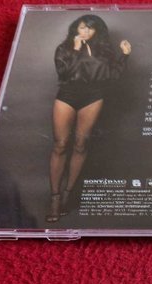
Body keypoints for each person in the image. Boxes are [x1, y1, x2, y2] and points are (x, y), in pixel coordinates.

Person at [48, 15, 131, 222]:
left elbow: (113, 76)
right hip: (67, 96)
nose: (85, 32)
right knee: (60, 144)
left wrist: (124, 56)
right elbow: (63, 73)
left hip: (93, 97)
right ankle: (55, 198)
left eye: (90, 29)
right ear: (75, 29)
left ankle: (67, 193)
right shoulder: (64, 48)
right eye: (82, 28)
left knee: (81, 144)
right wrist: (76, 50)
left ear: (97, 31)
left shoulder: (105, 51)